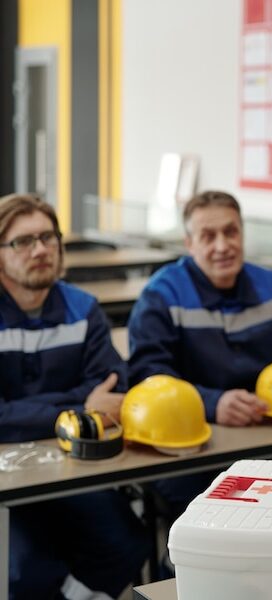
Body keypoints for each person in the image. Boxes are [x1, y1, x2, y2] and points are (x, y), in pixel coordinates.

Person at [127, 190, 272, 526]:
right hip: (197, 449)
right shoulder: (161, 295)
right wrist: (213, 403)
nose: (222, 246)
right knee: (226, 526)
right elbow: (148, 376)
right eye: (208, 236)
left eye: (231, 232)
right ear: (189, 244)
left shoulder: (271, 287)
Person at [0, 193, 148, 599]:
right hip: (7, 475)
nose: (42, 249)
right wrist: (79, 407)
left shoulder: (81, 308)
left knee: (126, 541)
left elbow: (115, 384)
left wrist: (26, 412)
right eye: (23, 241)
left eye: (49, 237)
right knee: (22, 571)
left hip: (74, 464)